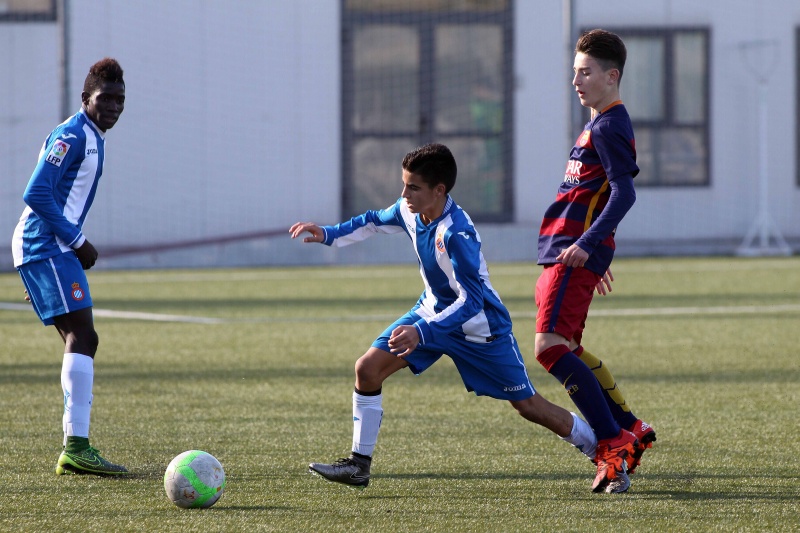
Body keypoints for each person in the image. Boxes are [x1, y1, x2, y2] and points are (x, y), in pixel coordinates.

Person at [290, 143, 617, 493]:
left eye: (413, 187)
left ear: (439, 190)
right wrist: (327, 234)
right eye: (404, 185)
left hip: (480, 330)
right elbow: (372, 221)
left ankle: (605, 452)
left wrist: (422, 332)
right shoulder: (410, 210)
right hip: (431, 314)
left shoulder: (456, 233)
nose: (404, 194)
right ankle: (359, 465)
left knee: (529, 406)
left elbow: (472, 301)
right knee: (367, 369)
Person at [533, 29, 656, 493]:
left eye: (585, 72)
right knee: (567, 348)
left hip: (571, 252)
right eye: (574, 72)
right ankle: (629, 425)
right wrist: (596, 248)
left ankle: (612, 441)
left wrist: (589, 244)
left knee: (550, 348)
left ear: (612, 75)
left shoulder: (608, 125)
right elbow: (593, 194)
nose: (576, 81)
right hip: (570, 250)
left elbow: (624, 193)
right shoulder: (597, 123)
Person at [11, 58, 128, 476]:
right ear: (86, 98)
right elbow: (35, 193)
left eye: (120, 99)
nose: (114, 106)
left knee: (83, 337)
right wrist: (78, 242)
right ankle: (76, 447)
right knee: (84, 335)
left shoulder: (93, 135)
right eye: (105, 98)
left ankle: (76, 446)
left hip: (49, 249)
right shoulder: (72, 135)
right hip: (47, 244)